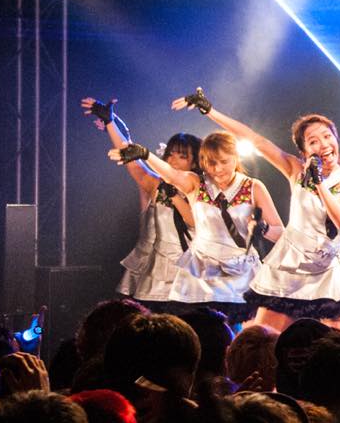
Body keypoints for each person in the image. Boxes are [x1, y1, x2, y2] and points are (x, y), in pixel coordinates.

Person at [167, 87, 340, 332]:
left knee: (336, 344)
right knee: (261, 339)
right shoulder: (295, 170)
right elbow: (255, 140)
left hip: (330, 269)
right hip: (288, 266)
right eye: (313, 141)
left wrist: (318, 181)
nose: (323, 144)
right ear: (304, 151)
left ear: (336, 139)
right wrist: (210, 111)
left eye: (327, 136)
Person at [106, 130, 282, 320]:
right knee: (195, 326)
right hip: (200, 274)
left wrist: (263, 228)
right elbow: (171, 175)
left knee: (237, 330)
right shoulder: (196, 183)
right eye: (211, 163)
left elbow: (280, 232)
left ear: (236, 157)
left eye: (224, 161)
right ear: (203, 161)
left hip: (240, 274)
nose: (218, 169)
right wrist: (145, 154)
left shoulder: (253, 187)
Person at [81, 97, 197, 306]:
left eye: (181, 156)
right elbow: (133, 161)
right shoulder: (157, 185)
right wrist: (110, 123)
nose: (172, 160)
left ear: (195, 162)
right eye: (169, 155)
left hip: (193, 279)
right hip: (155, 280)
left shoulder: (204, 191)